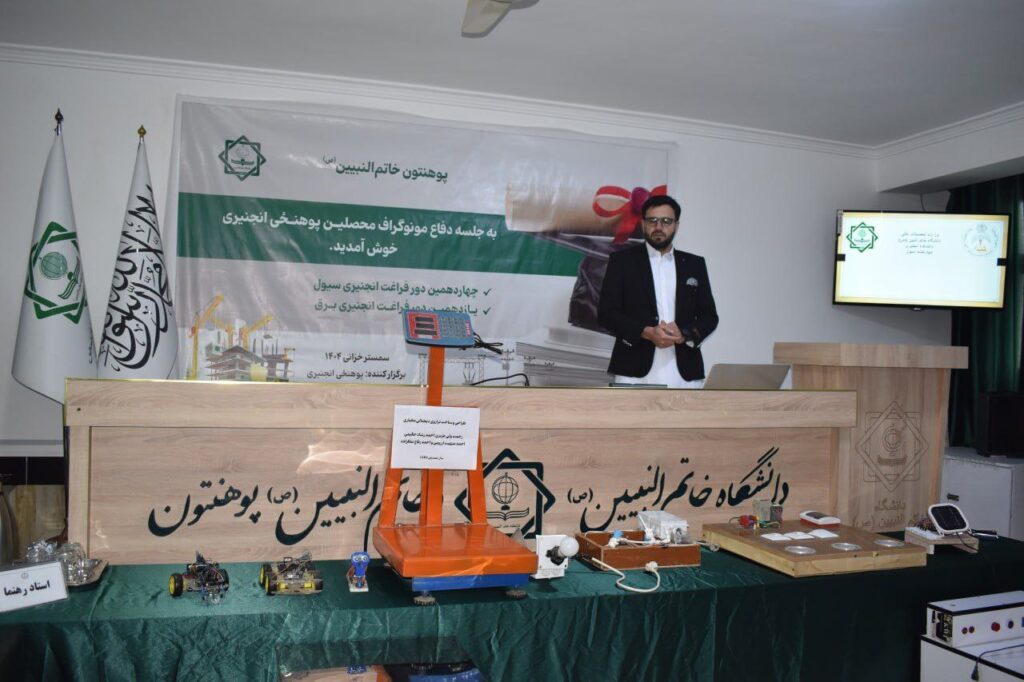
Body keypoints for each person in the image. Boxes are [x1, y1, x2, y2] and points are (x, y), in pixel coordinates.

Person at [597, 194, 718, 388]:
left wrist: (684, 333)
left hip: (685, 371)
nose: (659, 227)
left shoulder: (694, 264)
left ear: (676, 225)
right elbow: (607, 313)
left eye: (666, 221)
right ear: (643, 224)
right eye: (652, 220)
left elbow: (709, 316)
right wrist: (646, 332)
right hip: (633, 369)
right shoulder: (622, 262)